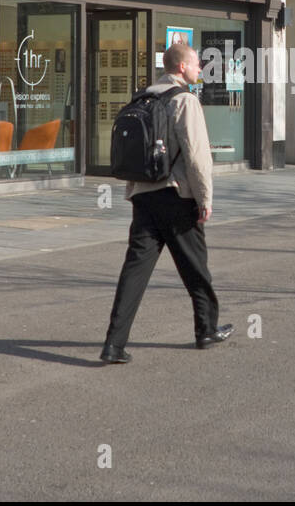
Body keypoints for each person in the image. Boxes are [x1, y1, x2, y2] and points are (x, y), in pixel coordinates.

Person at [100, 42, 233, 364]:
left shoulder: (142, 97)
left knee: (134, 271)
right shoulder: (184, 101)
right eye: (197, 64)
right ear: (182, 68)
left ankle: (113, 345)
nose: (201, 69)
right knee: (195, 267)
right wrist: (204, 198)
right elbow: (198, 156)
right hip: (176, 196)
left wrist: (133, 191)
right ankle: (206, 329)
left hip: (144, 197)